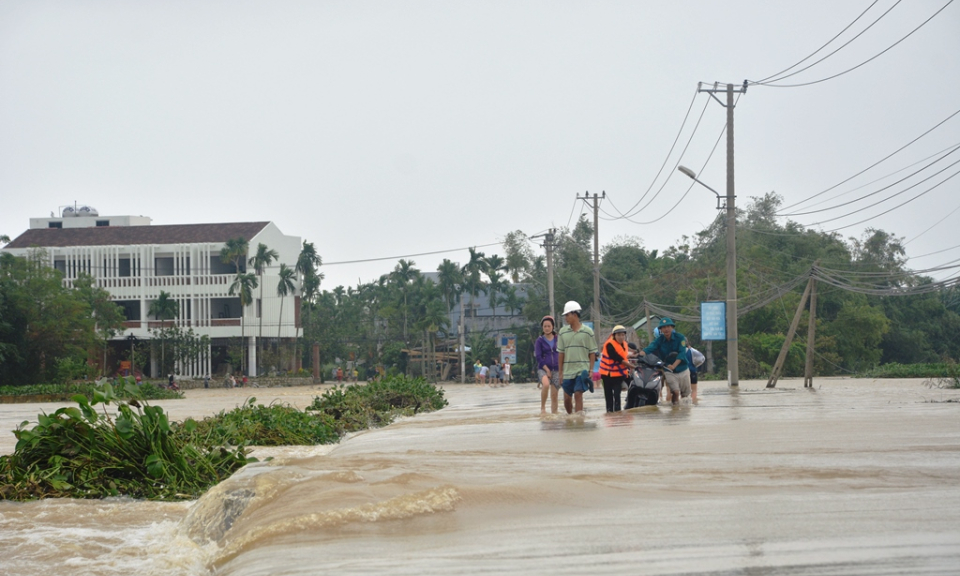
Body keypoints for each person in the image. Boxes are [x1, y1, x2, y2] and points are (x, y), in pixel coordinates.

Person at [556, 301, 598, 414]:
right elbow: (561, 353)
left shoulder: (588, 332)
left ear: (575, 315)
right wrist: (560, 372)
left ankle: (579, 420)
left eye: (567, 315)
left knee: (578, 394)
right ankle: (570, 417)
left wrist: (591, 370)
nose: (565, 318)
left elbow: (592, 352)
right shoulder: (562, 332)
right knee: (566, 398)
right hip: (567, 371)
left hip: (582, 369)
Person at [640, 318, 690, 404]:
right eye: (663, 327)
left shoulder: (680, 338)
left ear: (672, 327)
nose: (666, 329)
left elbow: (682, 353)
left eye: (668, 326)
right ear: (661, 330)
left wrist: (674, 365)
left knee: (685, 395)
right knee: (675, 392)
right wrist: (640, 353)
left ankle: (683, 415)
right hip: (668, 370)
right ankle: (675, 409)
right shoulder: (659, 340)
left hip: (683, 368)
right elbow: (650, 348)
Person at [599, 325, 635, 412]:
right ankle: (609, 413)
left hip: (618, 375)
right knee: (608, 396)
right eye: (619, 335)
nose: (621, 337)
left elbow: (626, 355)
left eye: (623, 335)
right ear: (614, 335)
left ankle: (618, 414)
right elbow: (618, 358)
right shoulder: (609, 345)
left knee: (617, 395)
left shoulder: (625, 345)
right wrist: (632, 366)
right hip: (607, 375)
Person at [535, 315, 560, 414]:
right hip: (543, 368)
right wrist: (547, 370)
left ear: (553, 327)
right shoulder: (539, 341)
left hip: (557, 369)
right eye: (545, 326)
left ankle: (554, 413)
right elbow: (538, 357)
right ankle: (543, 408)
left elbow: (563, 353)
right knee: (545, 384)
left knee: (554, 395)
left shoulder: (558, 339)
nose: (546, 328)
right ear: (542, 327)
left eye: (549, 326)